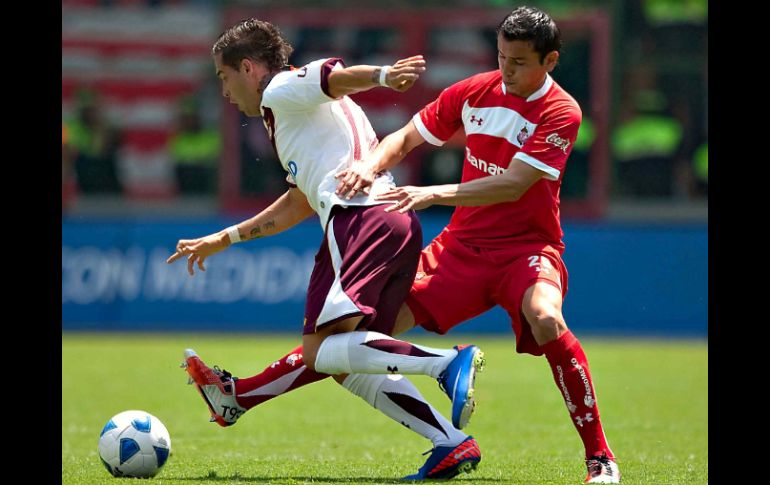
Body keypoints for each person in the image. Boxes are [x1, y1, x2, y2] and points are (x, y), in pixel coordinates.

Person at [214, 7, 621, 484]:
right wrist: (369, 165)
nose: (507, 70)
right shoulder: (475, 91)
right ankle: (447, 441)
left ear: (549, 61)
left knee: (547, 318)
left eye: (520, 63)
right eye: (502, 57)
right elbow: (406, 136)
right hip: (459, 251)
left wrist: (433, 193)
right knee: (351, 346)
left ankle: (600, 458)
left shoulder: (561, 111)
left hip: (526, 249)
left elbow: (513, 185)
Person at [165, 18, 484, 480]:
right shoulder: (291, 115)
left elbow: (331, 77)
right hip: (379, 221)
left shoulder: (280, 89)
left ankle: (449, 363)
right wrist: (225, 237)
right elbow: (296, 202)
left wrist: (381, 76)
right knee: (338, 359)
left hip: (361, 218)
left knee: (326, 350)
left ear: (249, 68)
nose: (224, 91)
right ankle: (450, 443)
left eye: (224, 76)